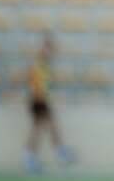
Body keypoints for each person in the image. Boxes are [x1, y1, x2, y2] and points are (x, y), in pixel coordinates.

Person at [23, 34, 75, 173]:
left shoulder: (44, 63)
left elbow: (43, 82)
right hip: (38, 99)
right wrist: (38, 95)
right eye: (50, 48)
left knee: (42, 127)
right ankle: (57, 152)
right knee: (43, 127)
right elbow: (33, 80)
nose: (52, 52)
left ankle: (33, 157)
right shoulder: (39, 63)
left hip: (41, 98)